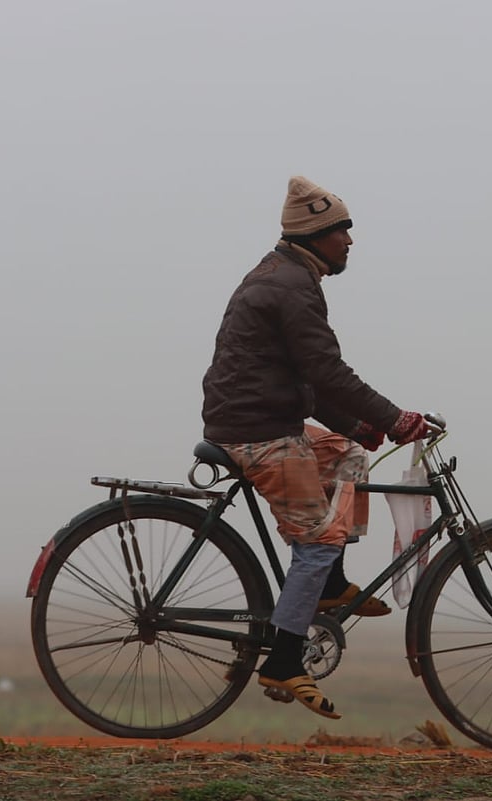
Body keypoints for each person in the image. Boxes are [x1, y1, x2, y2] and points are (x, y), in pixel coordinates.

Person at [201, 176, 430, 720]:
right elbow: (325, 370)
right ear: (316, 234)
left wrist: (362, 426)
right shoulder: (291, 286)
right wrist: (395, 418)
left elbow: (305, 380)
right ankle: (283, 659)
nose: (350, 241)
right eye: (342, 231)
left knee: (349, 455)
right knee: (319, 536)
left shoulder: (288, 276)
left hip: (267, 418)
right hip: (260, 433)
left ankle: (327, 586)